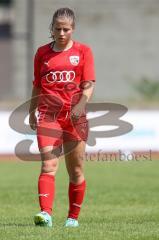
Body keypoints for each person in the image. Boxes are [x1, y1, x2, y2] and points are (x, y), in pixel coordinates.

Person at [29, 7, 95, 227]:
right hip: (49, 116)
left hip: (75, 118)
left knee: (75, 170)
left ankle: (72, 218)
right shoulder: (41, 53)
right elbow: (37, 85)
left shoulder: (84, 51)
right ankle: (45, 214)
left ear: (73, 29)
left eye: (66, 29)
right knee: (48, 166)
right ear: (52, 28)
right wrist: (31, 111)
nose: (62, 33)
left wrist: (81, 104)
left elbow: (88, 85)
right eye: (57, 28)